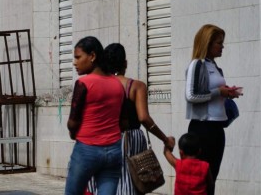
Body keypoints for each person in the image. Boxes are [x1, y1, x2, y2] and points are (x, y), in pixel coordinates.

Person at [87, 43, 175, 195]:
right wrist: (164, 139)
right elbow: (144, 118)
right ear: (125, 63)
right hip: (130, 140)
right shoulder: (136, 87)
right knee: (129, 181)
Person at [185, 24, 242, 193]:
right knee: (200, 180)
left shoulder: (215, 67)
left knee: (212, 179)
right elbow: (191, 95)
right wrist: (219, 92)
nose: (222, 46)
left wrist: (228, 93)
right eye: (219, 42)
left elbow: (212, 94)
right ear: (208, 43)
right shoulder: (197, 64)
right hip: (203, 128)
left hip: (217, 127)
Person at [65, 36, 125, 195]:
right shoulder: (117, 83)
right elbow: (120, 118)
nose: (74, 62)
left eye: (78, 57)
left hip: (87, 149)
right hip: (114, 150)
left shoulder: (84, 83)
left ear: (92, 56)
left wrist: (73, 133)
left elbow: (72, 121)